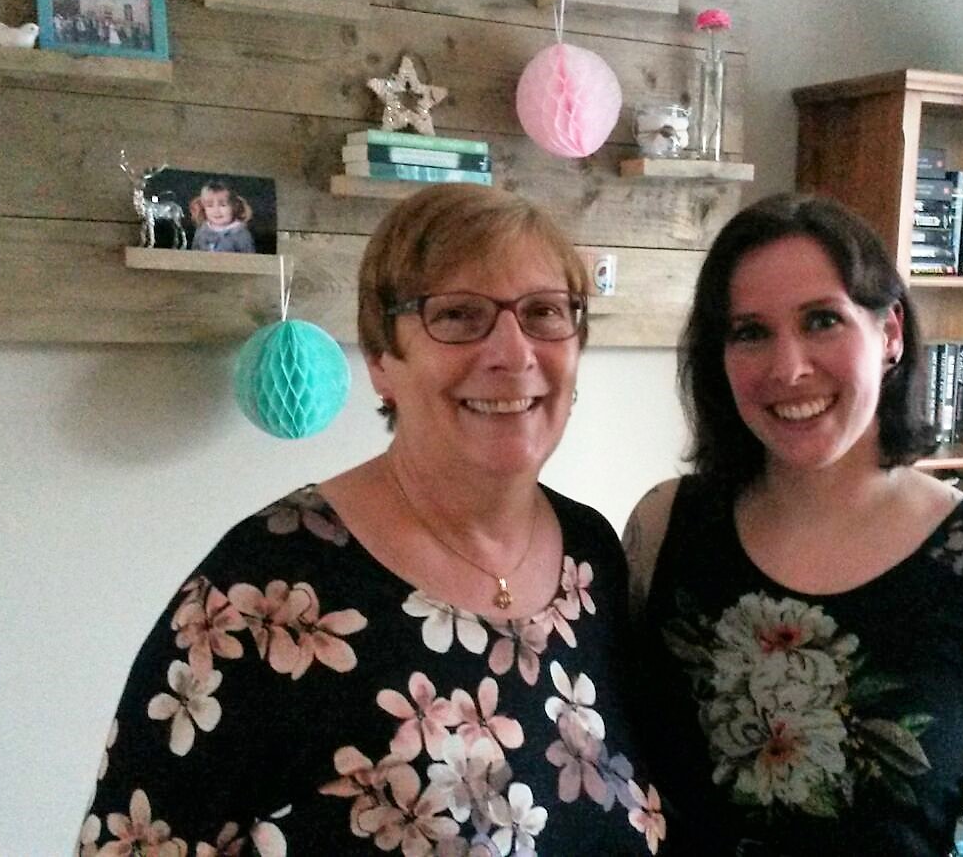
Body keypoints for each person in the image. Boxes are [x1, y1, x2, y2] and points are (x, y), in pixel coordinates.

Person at [79, 184, 669, 856]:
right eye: (458, 315)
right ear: (382, 359)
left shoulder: (592, 558)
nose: (514, 352)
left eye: (544, 312)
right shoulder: (266, 591)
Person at [622, 193, 963, 854]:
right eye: (750, 332)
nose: (788, 368)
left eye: (822, 321)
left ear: (890, 333)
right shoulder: (663, 527)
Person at [189, 180, 256, 254]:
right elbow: (194, 253)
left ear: (235, 206)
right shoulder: (202, 231)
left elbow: (249, 256)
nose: (216, 210)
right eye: (210, 206)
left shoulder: (241, 233)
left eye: (223, 205)